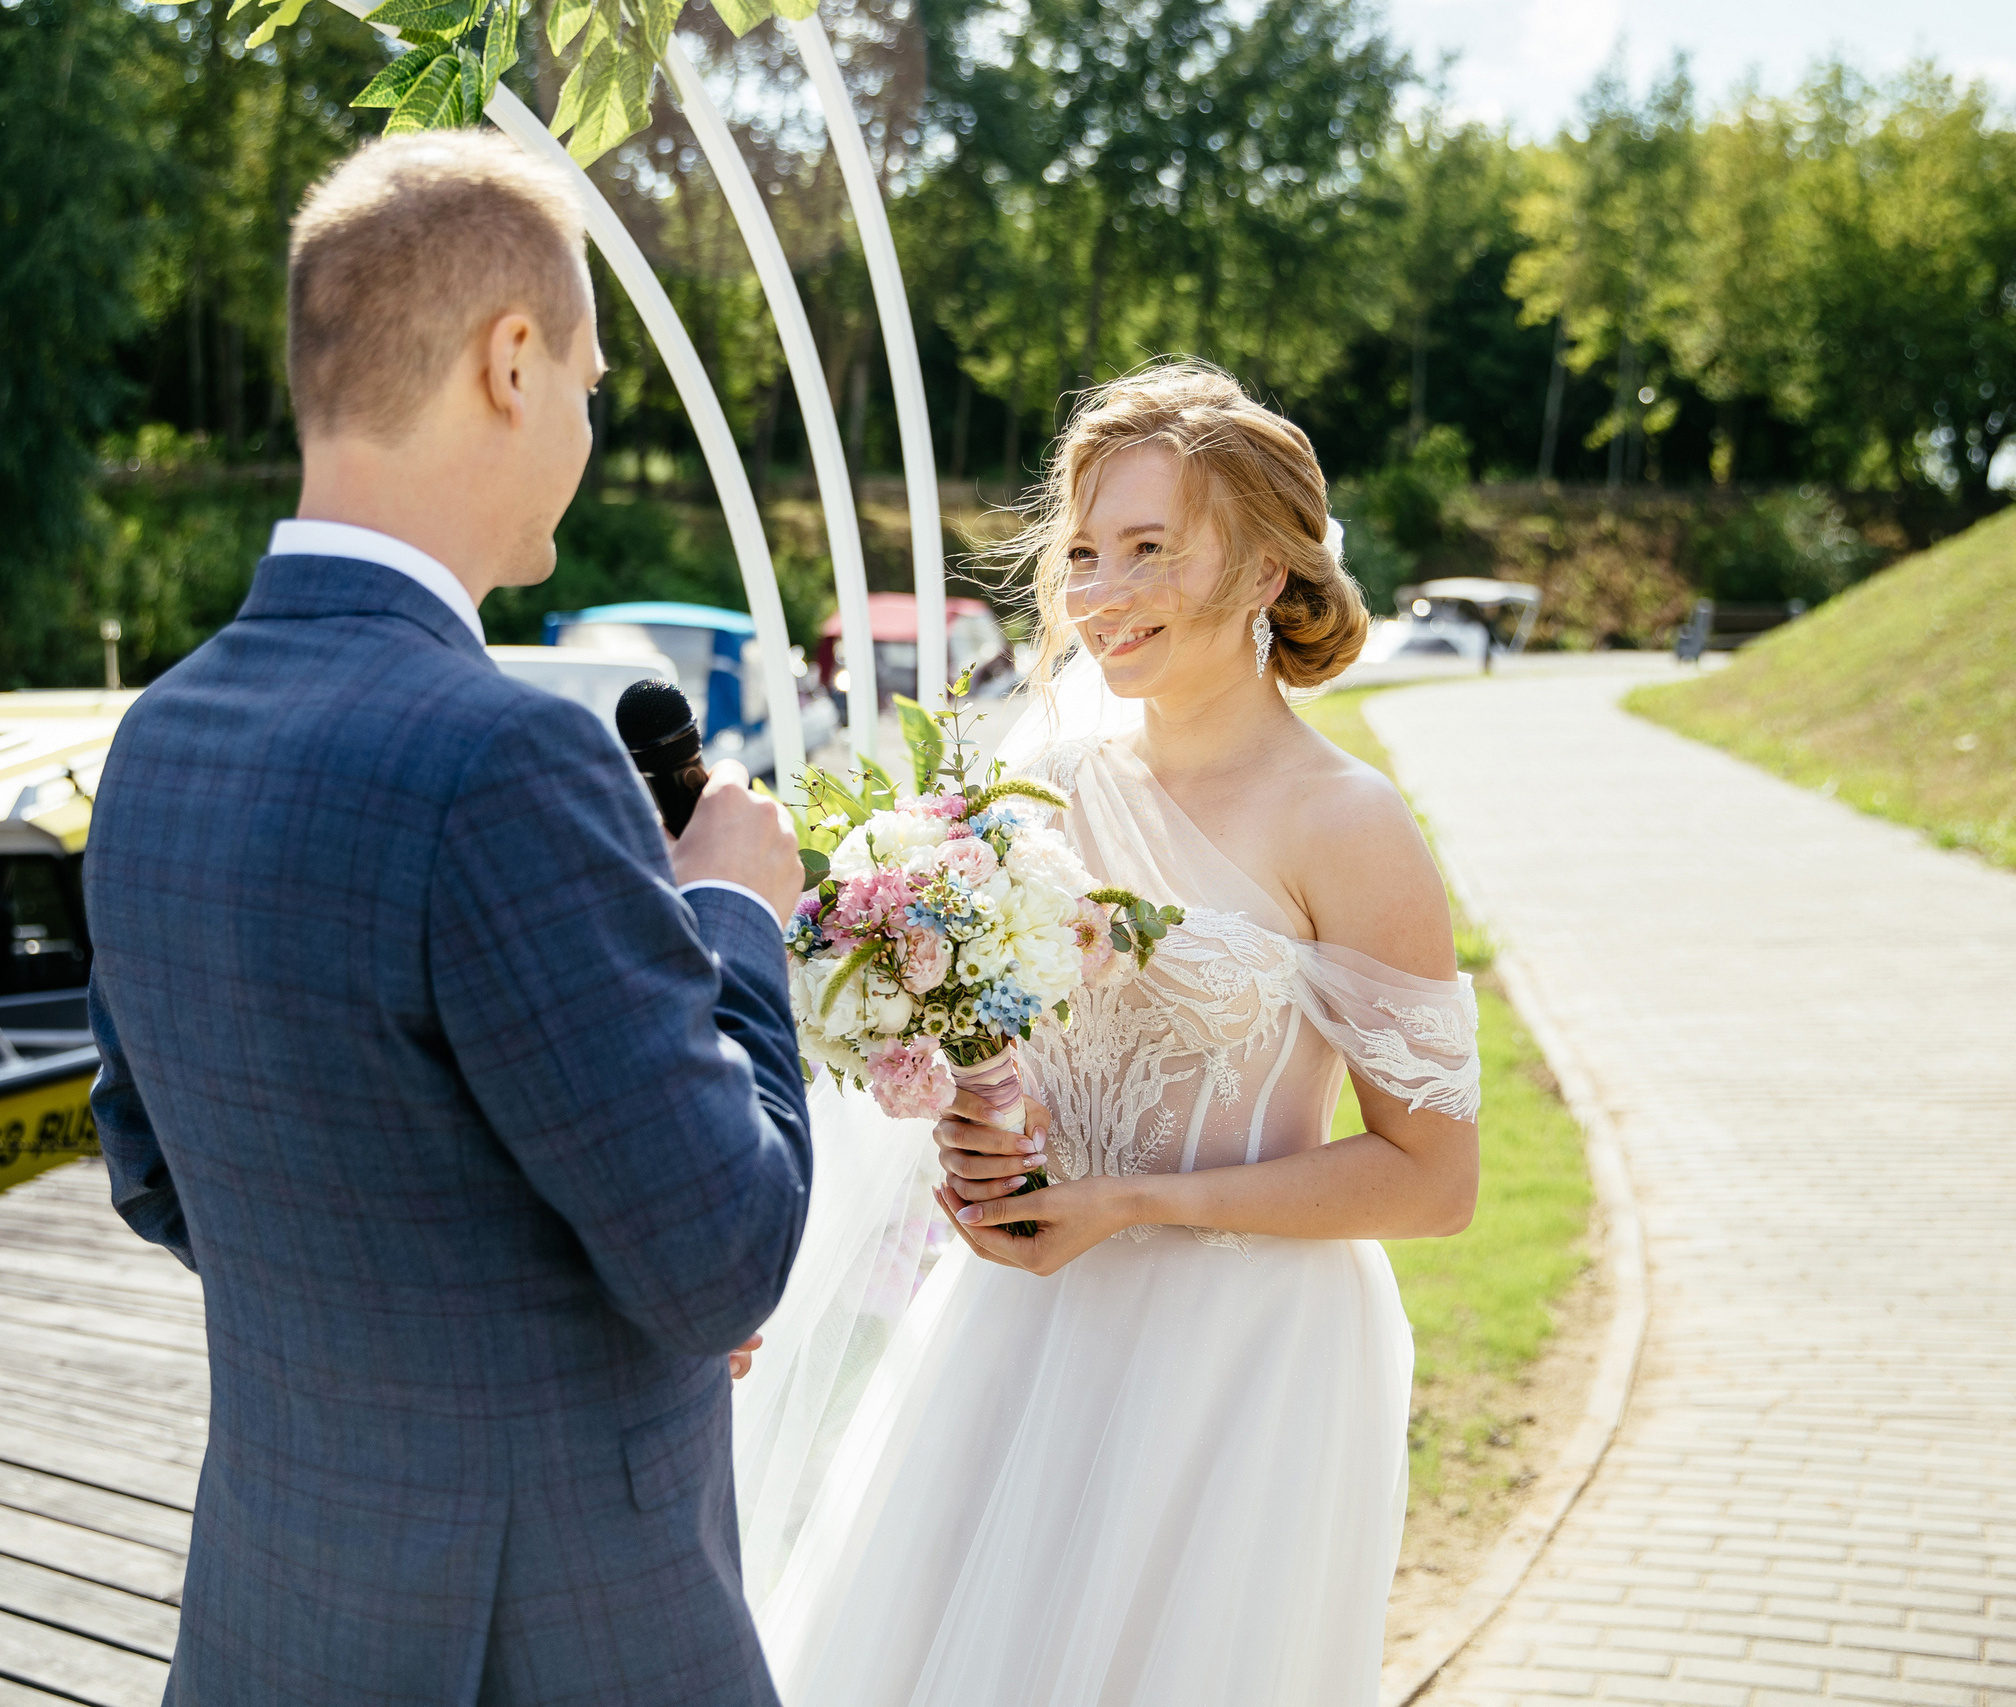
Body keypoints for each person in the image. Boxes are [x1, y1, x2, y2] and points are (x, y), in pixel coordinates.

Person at [81, 131, 812, 1707]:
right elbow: (723, 1263)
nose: (588, 430)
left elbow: (154, 1168)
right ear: (512, 361)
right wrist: (734, 911)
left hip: (274, 1613)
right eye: (591, 387)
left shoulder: (158, 738)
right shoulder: (508, 757)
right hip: (553, 1642)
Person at [745, 360, 1482, 1705]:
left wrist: (1133, 1201)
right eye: (1084, 553)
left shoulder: (1348, 823)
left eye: (1151, 549)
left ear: (1265, 570)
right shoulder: (1040, 791)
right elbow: (1018, 1059)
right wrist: (987, 1128)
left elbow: (1434, 1180)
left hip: (1242, 1363)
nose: (1100, 592)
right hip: (1023, 1330)